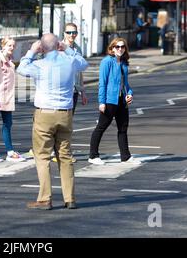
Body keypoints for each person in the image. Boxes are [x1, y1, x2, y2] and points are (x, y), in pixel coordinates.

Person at [17, 33, 88, 210]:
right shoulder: (69, 62)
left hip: (44, 114)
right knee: (64, 156)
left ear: (42, 48)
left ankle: (45, 199)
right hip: (65, 114)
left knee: (42, 157)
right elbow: (84, 63)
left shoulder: (38, 65)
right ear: (59, 45)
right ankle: (70, 198)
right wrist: (68, 49)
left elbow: (21, 68)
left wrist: (31, 51)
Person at [88, 38, 141, 166]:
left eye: (122, 47)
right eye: (117, 47)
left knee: (123, 128)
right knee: (101, 127)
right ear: (112, 48)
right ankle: (93, 155)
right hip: (110, 100)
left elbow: (126, 84)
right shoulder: (106, 62)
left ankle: (125, 156)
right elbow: (102, 83)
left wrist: (129, 94)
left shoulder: (124, 63)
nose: (120, 49)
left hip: (121, 101)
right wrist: (102, 102)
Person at [51, 23, 88, 163]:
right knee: (59, 122)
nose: (72, 35)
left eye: (74, 33)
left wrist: (83, 91)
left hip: (74, 90)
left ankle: (61, 152)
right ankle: (58, 153)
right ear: (64, 33)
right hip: (61, 90)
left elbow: (80, 71)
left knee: (68, 123)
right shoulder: (58, 48)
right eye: (69, 32)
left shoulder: (77, 48)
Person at [0, 37, 26, 163]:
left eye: (13, 46)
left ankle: (10, 151)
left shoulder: (9, 60)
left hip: (7, 98)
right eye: (9, 45)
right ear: (3, 46)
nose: (12, 48)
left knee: (8, 124)